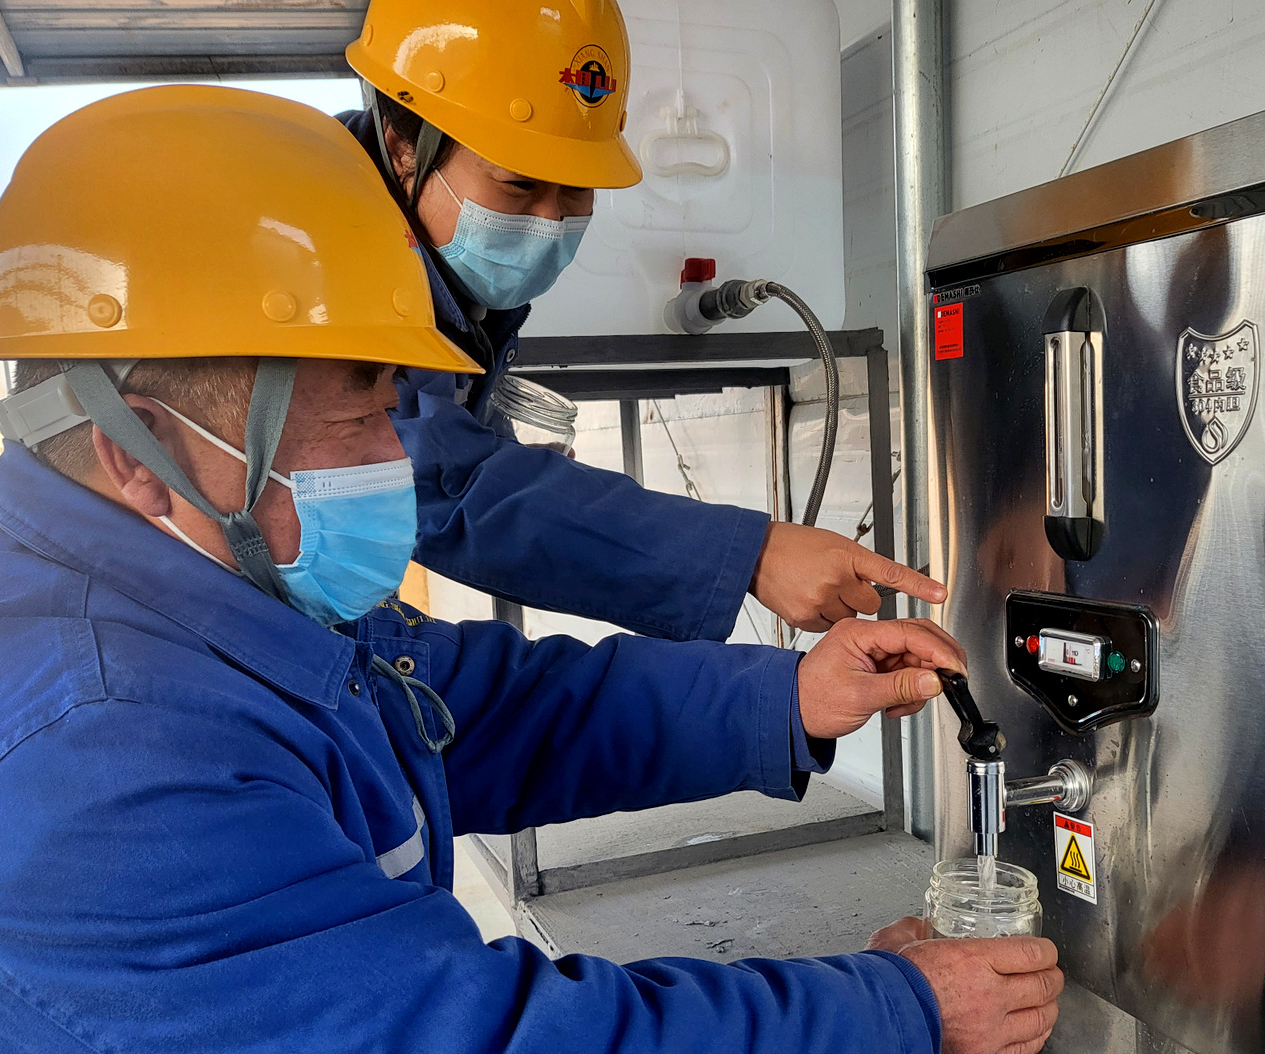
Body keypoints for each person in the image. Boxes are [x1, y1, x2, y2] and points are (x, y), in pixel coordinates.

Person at [0, 86, 1061, 1054]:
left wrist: (788, 698)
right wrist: (897, 1026)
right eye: (359, 420)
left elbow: (477, 709)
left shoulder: (198, 595)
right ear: (140, 451)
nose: (396, 463)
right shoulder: (85, 764)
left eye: (395, 411)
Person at [337, 0, 944, 640]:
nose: (550, 222)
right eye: (519, 185)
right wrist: (751, 554)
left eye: (577, 186)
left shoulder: (442, 269)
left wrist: (506, 463)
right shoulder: (331, 253)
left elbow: (446, 450)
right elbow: (434, 482)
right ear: (404, 146)